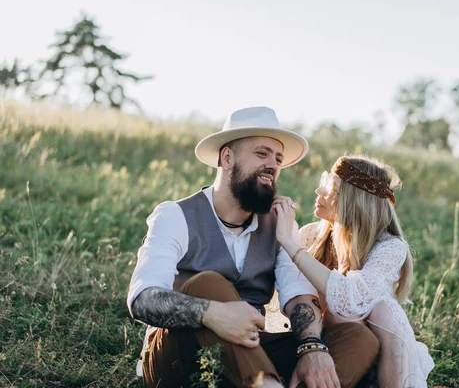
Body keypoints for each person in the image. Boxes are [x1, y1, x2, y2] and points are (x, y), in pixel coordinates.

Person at [126, 107, 380, 388]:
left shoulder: (279, 226)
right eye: (262, 153)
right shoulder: (175, 215)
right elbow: (142, 298)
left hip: (250, 352)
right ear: (227, 157)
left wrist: (311, 346)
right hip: (181, 356)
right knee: (209, 283)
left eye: (278, 158)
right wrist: (212, 313)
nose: (273, 164)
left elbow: (298, 296)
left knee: (358, 338)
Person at [272, 155, 435, 388]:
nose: (319, 191)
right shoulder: (311, 236)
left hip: (369, 351)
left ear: (353, 201)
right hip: (317, 343)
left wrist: (291, 245)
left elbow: (348, 301)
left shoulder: (389, 248)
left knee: (382, 310)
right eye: (324, 182)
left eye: (331, 189)